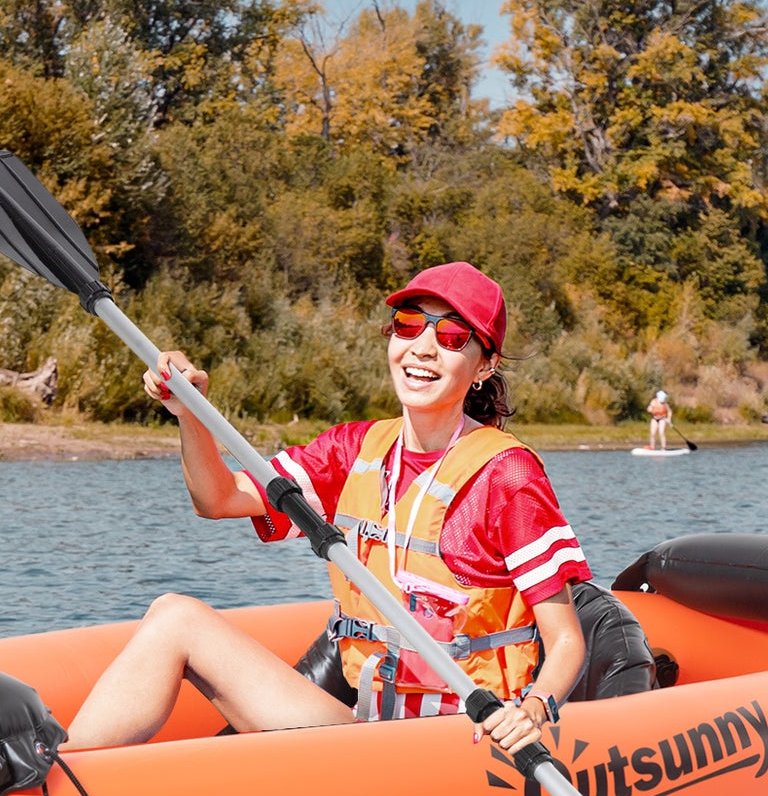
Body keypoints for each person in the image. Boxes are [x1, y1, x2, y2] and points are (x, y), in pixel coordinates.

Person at [65, 262, 590, 760]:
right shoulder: (353, 450)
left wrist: (535, 708)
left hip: (460, 743)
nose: (423, 349)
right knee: (174, 616)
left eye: (452, 337)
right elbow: (218, 498)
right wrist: (189, 414)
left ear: (485, 364)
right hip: (368, 739)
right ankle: (64, 777)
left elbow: (565, 638)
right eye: (409, 326)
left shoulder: (508, 475)